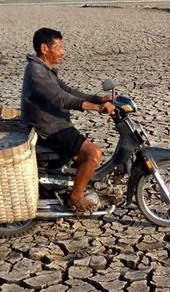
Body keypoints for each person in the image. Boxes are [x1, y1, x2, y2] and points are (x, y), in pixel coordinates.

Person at [21, 27, 115, 212]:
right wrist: (96, 108)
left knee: (83, 156)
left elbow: (68, 91)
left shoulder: (44, 69)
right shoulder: (36, 72)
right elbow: (61, 99)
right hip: (50, 128)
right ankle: (75, 197)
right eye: (59, 47)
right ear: (44, 48)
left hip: (55, 123)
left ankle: (73, 185)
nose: (62, 51)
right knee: (94, 154)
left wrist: (99, 99)